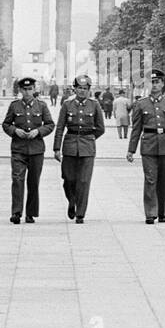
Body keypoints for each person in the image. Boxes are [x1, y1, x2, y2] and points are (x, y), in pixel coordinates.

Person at [126, 69, 165, 223]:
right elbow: (136, 128)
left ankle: (161, 210)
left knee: (164, 179)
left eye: (157, 82)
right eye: (151, 82)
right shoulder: (141, 103)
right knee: (150, 179)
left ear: (163, 84)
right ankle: (150, 213)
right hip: (148, 145)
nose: (154, 85)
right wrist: (131, 150)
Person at [1, 77, 54, 224]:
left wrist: (38, 132)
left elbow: (50, 124)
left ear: (34, 89)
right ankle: (16, 213)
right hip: (19, 148)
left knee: (33, 182)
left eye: (30, 89)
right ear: (20, 90)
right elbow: (6, 124)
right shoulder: (14, 106)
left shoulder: (41, 106)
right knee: (17, 180)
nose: (27, 92)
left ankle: (30, 213)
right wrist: (14, 130)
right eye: (24, 89)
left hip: (36, 149)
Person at [54, 75, 105, 223]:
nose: (82, 91)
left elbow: (100, 128)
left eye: (85, 88)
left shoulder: (94, 105)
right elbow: (60, 127)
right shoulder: (67, 104)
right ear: (74, 89)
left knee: (84, 181)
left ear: (89, 90)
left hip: (87, 147)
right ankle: (72, 201)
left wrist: (90, 137)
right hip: (69, 145)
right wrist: (57, 148)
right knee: (68, 179)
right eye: (79, 88)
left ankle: (80, 213)